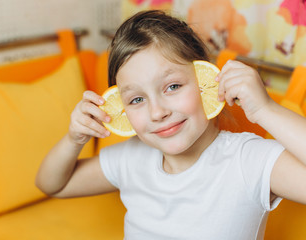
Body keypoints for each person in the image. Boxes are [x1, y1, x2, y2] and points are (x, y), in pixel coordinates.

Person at [35, 10, 306, 239]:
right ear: (121, 108)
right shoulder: (131, 158)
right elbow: (53, 185)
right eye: (137, 99)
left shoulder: (248, 161)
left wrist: (265, 110)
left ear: (206, 80)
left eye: (173, 86)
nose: (157, 112)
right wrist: (74, 140)